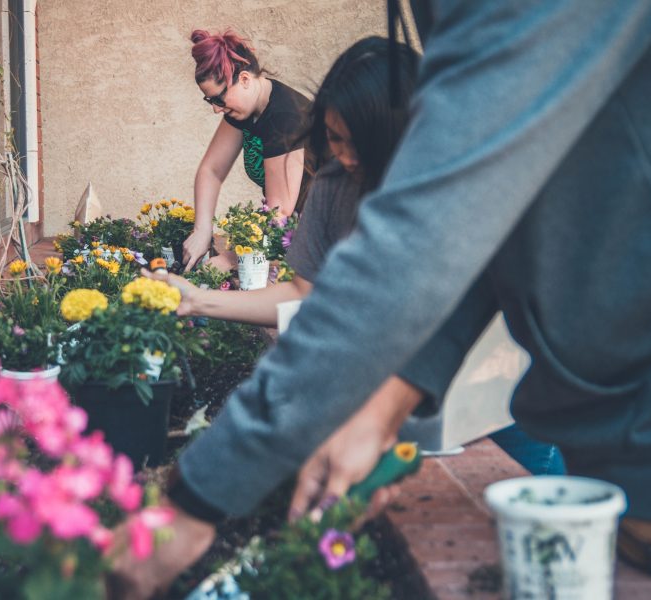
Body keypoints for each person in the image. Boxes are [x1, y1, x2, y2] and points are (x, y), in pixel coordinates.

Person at [110, 1, 651, 599]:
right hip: (618, 432)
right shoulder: (348, 166)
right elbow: (466, 244)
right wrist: (381, 410)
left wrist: (200, 496)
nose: (343, 160)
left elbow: (428, 238)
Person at [158, 36, 565, 477]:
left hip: (504, 394)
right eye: (335, 139)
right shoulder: (333, 185)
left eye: (360, 143)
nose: (346, 158)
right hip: (412, 404)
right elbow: (303, 294)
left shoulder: (461, 184)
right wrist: (198, 300)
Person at [181, 29, 311, 272]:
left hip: (331, 232)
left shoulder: (284, 118)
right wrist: (202, 230)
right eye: (210, 101)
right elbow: (212, 170)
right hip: (294, 234)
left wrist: (231, 259)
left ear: (244, 79)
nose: (216, 109)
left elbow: (279, 214)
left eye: (218, 99)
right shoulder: (244, 109)